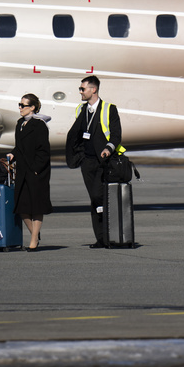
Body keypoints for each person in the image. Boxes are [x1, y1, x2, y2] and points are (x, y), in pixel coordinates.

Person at [66, 74, 122, 247]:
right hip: (87, 161)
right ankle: (101, 238)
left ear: (93, 89)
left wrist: (108, 148)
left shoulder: (109, 109)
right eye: (80, 89)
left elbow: (116, 134)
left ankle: (111, 235)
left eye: (83, 89)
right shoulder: (81, 110)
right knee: (94, 199)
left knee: (100, 196)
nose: (80, 92)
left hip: (104, 161)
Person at [5, 93, 52, 250]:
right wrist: (13, 153)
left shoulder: (39, 125)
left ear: (32, 108)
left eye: (23, 105)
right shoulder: (20, 123)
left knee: (36, 206)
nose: (20, 108)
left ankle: (33, 241)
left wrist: (37, 169)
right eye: (19, 104)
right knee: (22, 207)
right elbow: (20, 146)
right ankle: (35, 234)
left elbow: (43, 150)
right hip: (23, 170)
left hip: (36, 171)